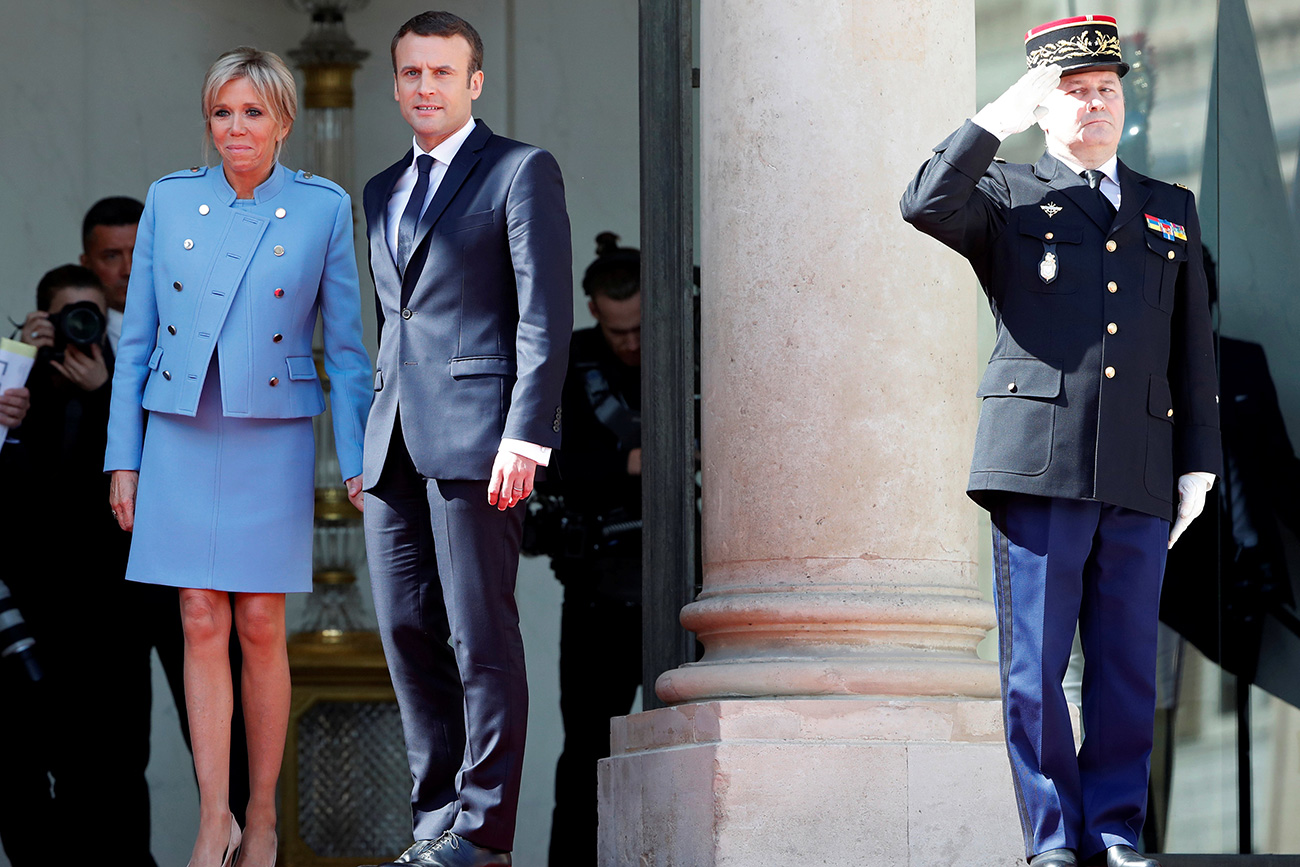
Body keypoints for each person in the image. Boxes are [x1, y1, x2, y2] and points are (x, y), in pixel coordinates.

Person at [900, 14, 1220, 867]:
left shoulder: (1170, 210)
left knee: (1124, 666)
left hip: (1141, 465)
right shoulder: (1004, 194)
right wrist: (992, 119)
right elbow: (923, 201)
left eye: (1105, 91)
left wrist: (1199, 461)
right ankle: (1051, 838)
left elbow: (1193, 343)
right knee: (1036, 670)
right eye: (1073, 93)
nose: (1093, 106)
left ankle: (1115, 830)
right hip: (1037, 460)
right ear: (1045, 108)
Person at [105, 46, 371, 867]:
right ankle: (212, 815)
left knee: (258, 620)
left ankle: (261, 817)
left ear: (284, 121)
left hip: (273, 428)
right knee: (196, 612)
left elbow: (349, 349)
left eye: (253, 112)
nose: (236, 128)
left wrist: (357, 456)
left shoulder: (324, 207)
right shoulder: (169, 200)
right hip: (181, 426)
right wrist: (125, 457)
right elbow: (138, 339)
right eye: (223, 112)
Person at [360, 10, 572, 867]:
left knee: (480, 636)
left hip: (482, 438)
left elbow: (545, 315)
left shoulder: (520, 170)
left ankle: (483, 833)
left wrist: (527, 435)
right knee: (408, 633)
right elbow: (392, 324)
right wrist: (371, 442)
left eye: (442, 73)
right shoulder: (380, 189)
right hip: (394, 448)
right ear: (396, 80)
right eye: (412, 73)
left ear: (474, 81)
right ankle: (435, 822)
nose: (425, 88)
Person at [540, 233, 643, 867]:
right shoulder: (569, 362)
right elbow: (545, 463)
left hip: (676, 581)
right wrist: (626, 463)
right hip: (596, 586)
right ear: (593, 310)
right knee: (585, 749)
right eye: (618, 332)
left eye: (638, 330)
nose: (630, 344)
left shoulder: (684, 350)